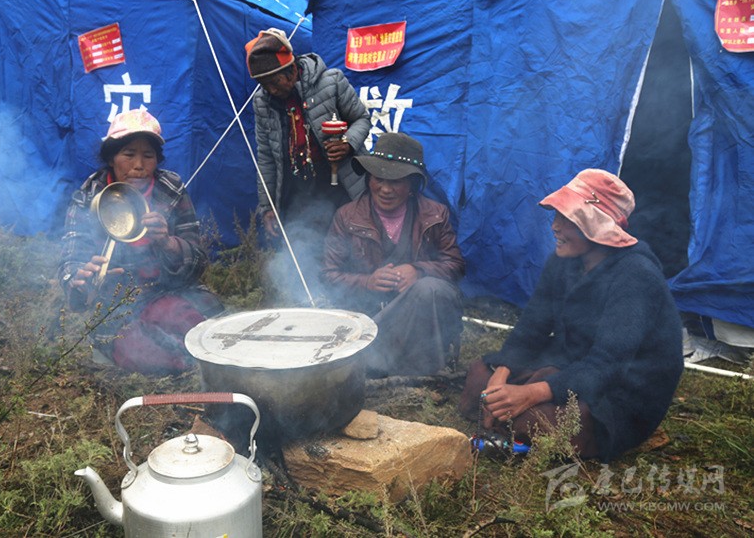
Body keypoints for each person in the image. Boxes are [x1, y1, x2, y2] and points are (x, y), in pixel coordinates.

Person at [458, 169, 683, 461]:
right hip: (570, 362)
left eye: (567, 220)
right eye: (557, 217)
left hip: (622, 390)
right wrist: (502, 373)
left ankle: (526, 429)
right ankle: (516, 417)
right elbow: (533, 325)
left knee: (536, 420)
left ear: (596, 228)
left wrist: (531, 393)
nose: (555, 227)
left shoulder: (636, 276)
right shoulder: (563, 261)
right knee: (480, 377)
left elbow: (608, 365)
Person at [58, 109, 223, 375]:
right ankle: (181, 366)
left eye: (148, 155)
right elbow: (71, 259)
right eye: (129, 154)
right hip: (115, 302)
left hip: (165, 292)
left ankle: (207, 362)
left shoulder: (169, 188)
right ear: (111, 158)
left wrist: (168, 243)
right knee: (146, 355)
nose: (139, 165)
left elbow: (198, 261)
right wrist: (80, 277)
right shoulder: (89, 196)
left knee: (193, 325)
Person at [321, 132, 466, 377]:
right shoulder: (347, 216)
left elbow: (456, 265)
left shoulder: (435, 214)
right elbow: (328, 276)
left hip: (421, 321)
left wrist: (419, 270)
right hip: (371, 317)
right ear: (369, 178)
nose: (385, 189)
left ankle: (414, 371)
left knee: (430, 289)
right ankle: (379, 364)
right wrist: (367, 281)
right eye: (378, 178)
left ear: (412, 184)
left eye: (396, 181)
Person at [245, 28, 371, 241]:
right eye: (264, 85)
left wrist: (347, 142)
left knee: (347, 246)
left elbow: (362, 118)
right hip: (297, 191)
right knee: (304, 247)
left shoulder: (331, 82)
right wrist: (267, 206)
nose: (271, 91)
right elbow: (266, 157)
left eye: (275, 82)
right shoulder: (262, 102)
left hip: (339, 183)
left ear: (292, 69)